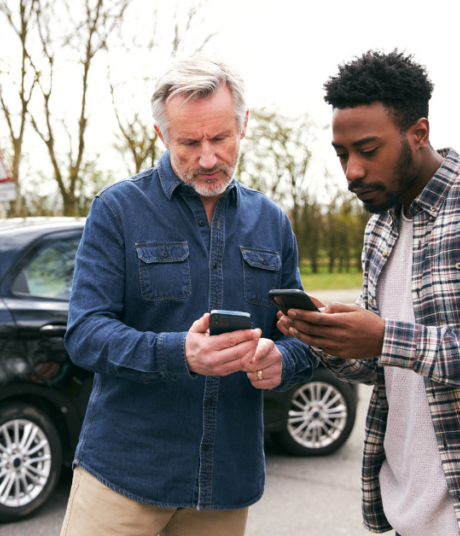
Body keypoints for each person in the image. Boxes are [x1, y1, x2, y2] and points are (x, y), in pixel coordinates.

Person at [278, 50, 460, 535]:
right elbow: (385, 368)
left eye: (368, 150)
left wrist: (388, 337)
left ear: (418, 133)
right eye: (342, 154)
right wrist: (328, 337)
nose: (351, 171)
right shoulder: (380, 230)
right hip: (411, 516)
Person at [60, 56, 316, 536]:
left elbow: (302, 335)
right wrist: (181, 353)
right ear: (161, 135)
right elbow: (85, 334)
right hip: (124, 477)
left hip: (226, 483)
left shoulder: (272, 222)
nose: (208, 158)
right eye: (190, 143)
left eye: (220, 138)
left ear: (243, 124)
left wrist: (283, 360)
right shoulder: (116, 209)